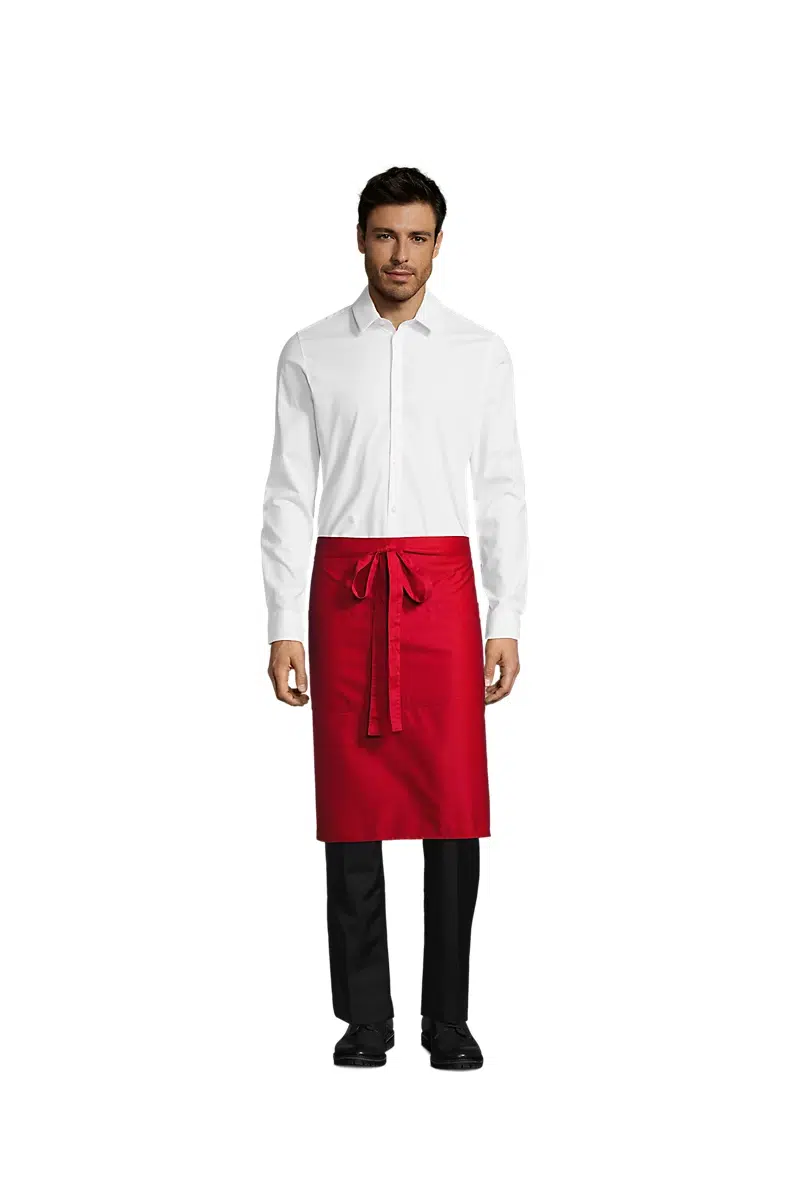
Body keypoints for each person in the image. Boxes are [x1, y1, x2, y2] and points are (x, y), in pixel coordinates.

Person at [261, 165, 528, 1069]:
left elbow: (502, 487)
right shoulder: (309, 351)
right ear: (361, 240)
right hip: (344, 592)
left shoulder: (480, 351)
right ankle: (365, 1019)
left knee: (453, 809)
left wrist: (505, 614)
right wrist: (282, 622)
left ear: (439, 244)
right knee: (351, 811)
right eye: (385, 235)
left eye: (417, 237)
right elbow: (288, 492)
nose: (400, 254)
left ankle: (447, 1019)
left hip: (441, 591)